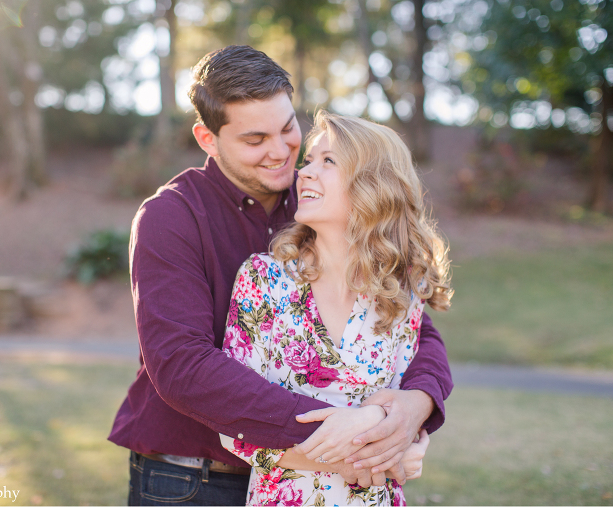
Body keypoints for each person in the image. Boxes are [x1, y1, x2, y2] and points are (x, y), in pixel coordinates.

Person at [109, 45, 453, 506]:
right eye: (255, 140)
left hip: (324, 480)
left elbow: (411, 325)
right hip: (192, 479)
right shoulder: (171, 216)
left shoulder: (321, 198)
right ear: (208, 139)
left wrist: (414, 408)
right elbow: (180, 364)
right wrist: (353, 440)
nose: (281, 152)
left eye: (289, 128)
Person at [219, 110, 452, 506]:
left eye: (328, 161)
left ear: (373, 185)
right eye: (308, 160)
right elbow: (233, 429)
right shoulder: (263, 281)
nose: (305, 172)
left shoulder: (400, 292)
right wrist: (364, 453)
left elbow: (403, 419)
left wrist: (396, 437)